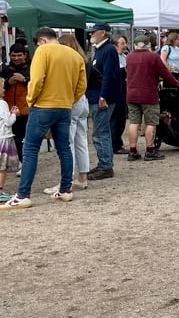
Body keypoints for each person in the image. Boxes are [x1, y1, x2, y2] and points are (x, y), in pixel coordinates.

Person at [0, 27, 86, 209]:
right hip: (64, 106)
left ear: (41, 40)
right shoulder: (75, 55)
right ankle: (65, 189)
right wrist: (70, 99)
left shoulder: (42, 51)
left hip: (43, 106)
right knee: (64, 148)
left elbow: (36, 79)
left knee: (30, 148)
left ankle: (23, 195)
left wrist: (31, 99)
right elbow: (82, 85)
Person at [42, 34, 97, 194]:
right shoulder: (82, 60)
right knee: (81, 140)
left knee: (67, 143)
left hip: (70, 101)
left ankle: (66, 181)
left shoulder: (65, 61)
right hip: (82, 101)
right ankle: (82, 177)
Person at [125, 35, 178, 161]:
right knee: (151, 122)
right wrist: (175, 83)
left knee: (134, 122)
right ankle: (149, 150)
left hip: (132, 94)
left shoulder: (129, 57)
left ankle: (132, 151)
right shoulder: (153, 56)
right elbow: (164, 73)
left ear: (135, 45)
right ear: (148, 44)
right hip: (149, 94)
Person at [86, 23, 123, 181]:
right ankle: (104, 163)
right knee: (101, 132)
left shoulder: (107, 50)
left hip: (102, 97)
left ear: (103, 33)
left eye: (93, 32)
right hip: (99, 95)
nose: (90, 34)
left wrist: (103, 97)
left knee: (100, 133)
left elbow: (109, 75)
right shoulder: (102, 50)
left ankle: (106, 165)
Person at [1, 42, 30, 164]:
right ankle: (15, 161)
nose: (16, 58)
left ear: (25, 55)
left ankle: (25, 163)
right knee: (11, 137)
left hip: (25, 110)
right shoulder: (5, 70)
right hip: (8, 111)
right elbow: (1, 86)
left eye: (19, 55)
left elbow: (38, 85)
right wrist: (8, 83)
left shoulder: (31, 68)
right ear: (9, 55)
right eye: (13, 56)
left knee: (23, 138)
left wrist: (24, 80)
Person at [0, 80, 20, 201]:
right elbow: (8, 122)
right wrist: (14, 114)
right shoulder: (2, 104)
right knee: (2, 167)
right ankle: (0, 190)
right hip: (4, 138)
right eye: (2, 87)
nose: (4, 90)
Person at [111, 35, 129, 155]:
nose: (125, 45)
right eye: (122, 43)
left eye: (125, 43)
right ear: (115, 45)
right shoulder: (113, 58)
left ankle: (118, 143)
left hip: (125, 90)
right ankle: (114, 144)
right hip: (116, 91)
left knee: (122, 118)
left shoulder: (125, 57)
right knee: (116, 118)